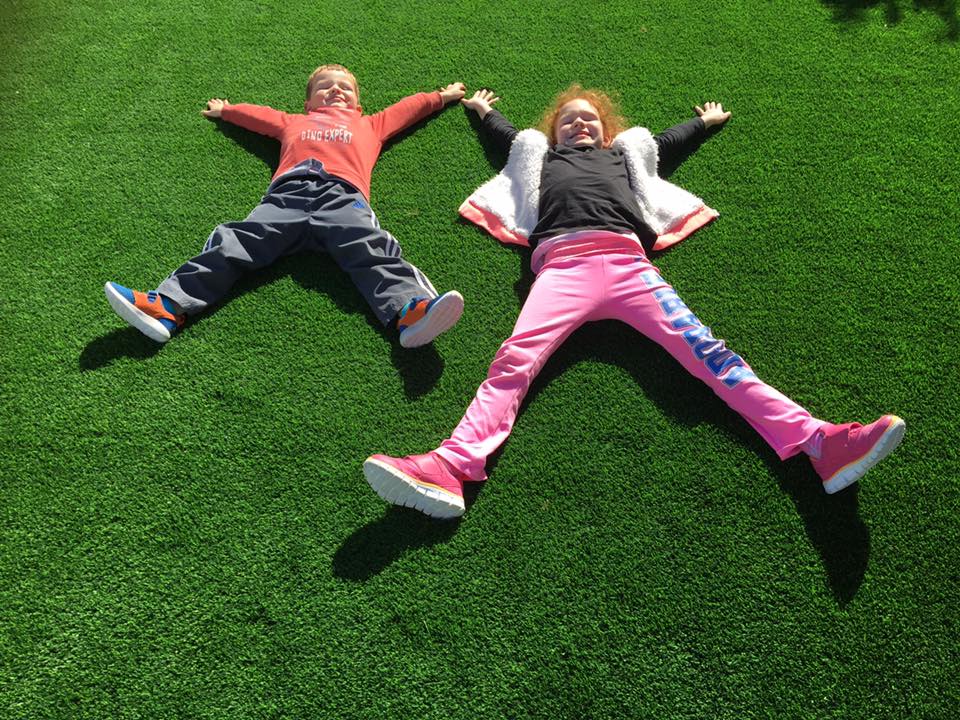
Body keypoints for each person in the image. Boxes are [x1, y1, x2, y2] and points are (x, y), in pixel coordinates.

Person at [363, 85, 905, 518]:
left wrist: (704, 123)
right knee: (513, 361)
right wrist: (482, 112)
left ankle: (820, 443)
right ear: (551, 133)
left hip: (630, 267)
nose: (580, 123)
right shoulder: (542, 159)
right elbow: (510, 140)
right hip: (562, 268)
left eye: (590, 119)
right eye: (568, 119)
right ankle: (452, 466)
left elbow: (665, 144)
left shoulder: (624, 157)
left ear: (608, 131)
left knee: (711, 354)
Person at [105, 65, 466, 349]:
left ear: (358, 104)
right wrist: (228, 110)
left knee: (371, 247)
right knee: (234, 241)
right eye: (324, 87)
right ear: (308, 104)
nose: (335, 90)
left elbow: (407, 110)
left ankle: (410, 312)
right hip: (285, 198)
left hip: (342, 198)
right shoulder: (294, 122)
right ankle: (167, 306)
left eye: (345, 87)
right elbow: (261, 118)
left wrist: (440, 96)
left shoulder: (370, 124)